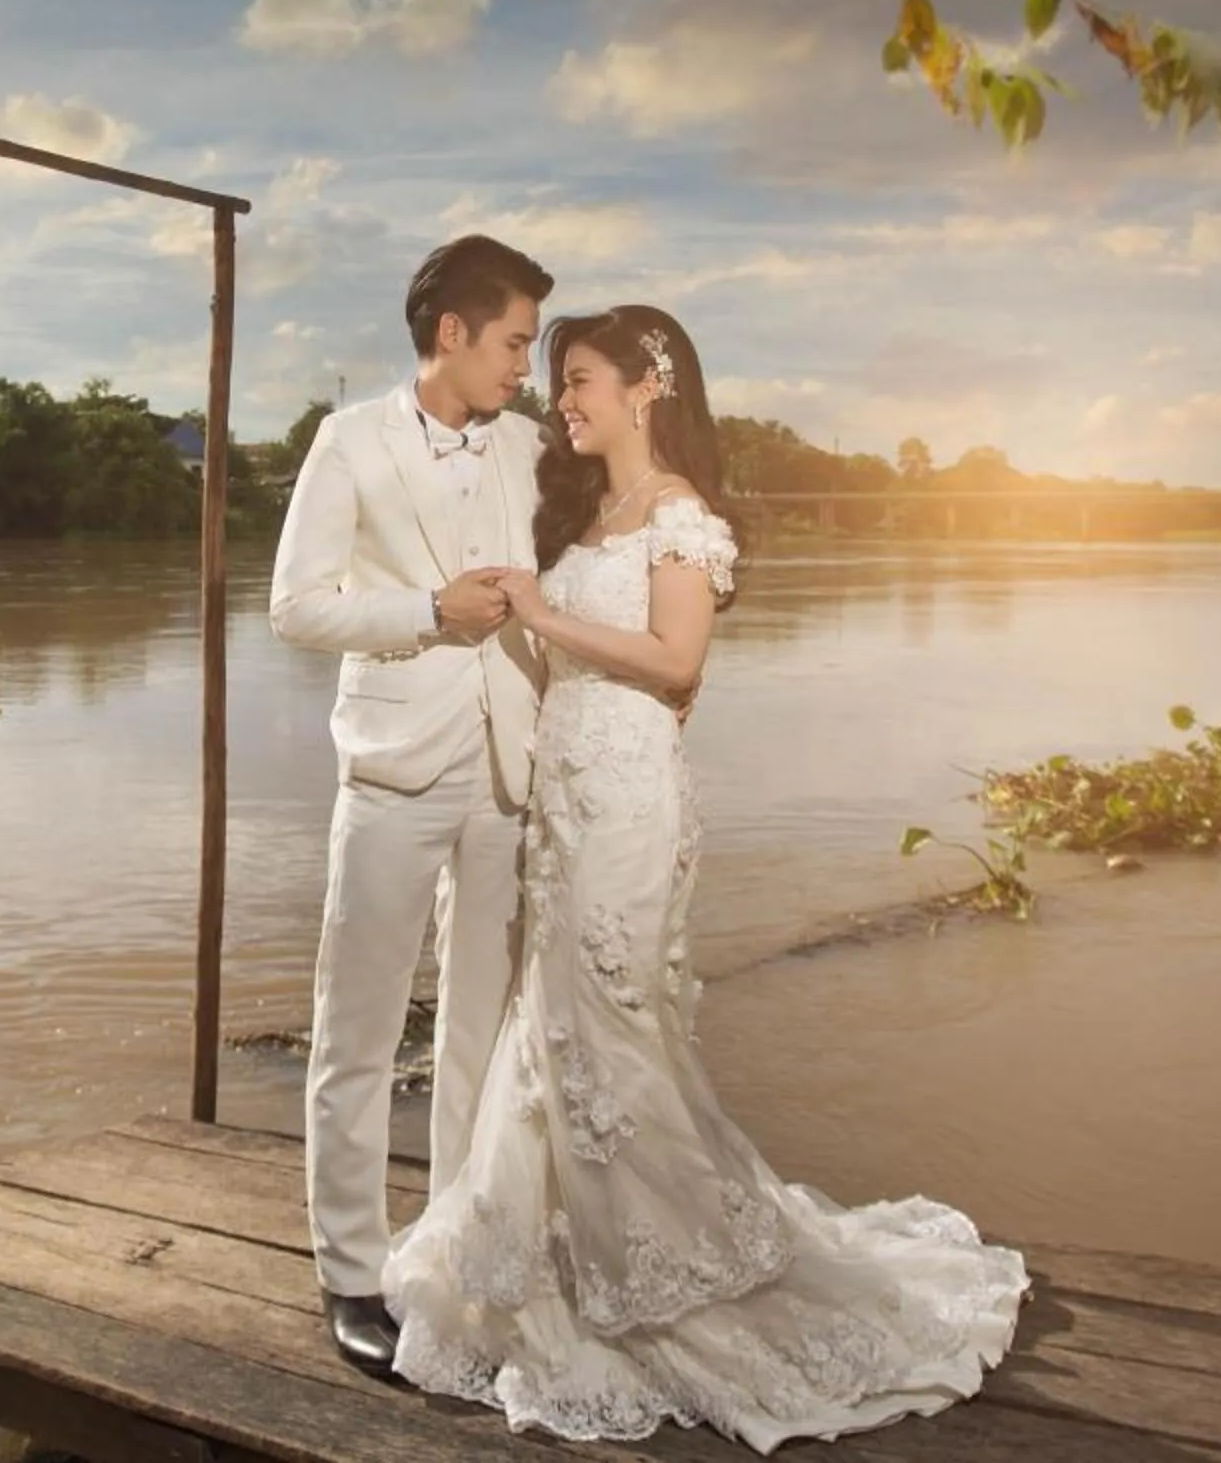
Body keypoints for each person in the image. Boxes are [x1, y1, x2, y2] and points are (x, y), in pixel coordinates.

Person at [381, 303, 1029, 1452]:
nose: (561, 398)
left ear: (645, 388)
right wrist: (514, 614)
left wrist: (539, 608)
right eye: (560, 380)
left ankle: (670, 1276)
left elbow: (678, 664)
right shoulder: (594, 514)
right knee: (561, 1032)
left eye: (577, 378)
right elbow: (583, 649)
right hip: (569, 797)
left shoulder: (680, 517)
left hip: (630, 800)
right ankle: (571, 1262)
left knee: (617, 1031)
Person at [266, 234, 553, 1381]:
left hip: (507, 768)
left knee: (482, 1028)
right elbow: (295, 606)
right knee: (359, 1031)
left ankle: (452, 1252)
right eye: (516, 342)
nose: (526, 366)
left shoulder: (533, 447)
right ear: (453, 334)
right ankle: (348, 1269)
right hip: (391, 765)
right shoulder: (349, 441)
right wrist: (429, 611)